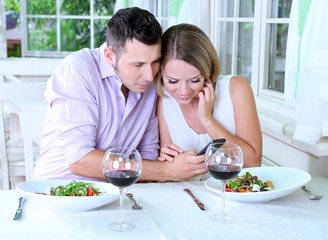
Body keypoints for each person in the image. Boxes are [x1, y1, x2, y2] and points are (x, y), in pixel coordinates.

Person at [33, 7, 167, 182]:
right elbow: (80, 160)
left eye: (155, 61)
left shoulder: (146, 82)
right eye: (137, 64)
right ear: (110, 56)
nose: (150, 75)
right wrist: (166, 172)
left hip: (119, 192)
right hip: (59, 192)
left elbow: (147, 155)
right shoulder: (77, 70)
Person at [155, 24, 262, 180]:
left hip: (236, 196)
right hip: (188, 197)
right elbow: (171, 171)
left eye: (194, 80)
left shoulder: (235, 89)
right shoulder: (164, 100)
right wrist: (168, 161)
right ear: (160, 75)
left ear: (207, 71)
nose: (183, 91)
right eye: (172, 81)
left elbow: (253, 163)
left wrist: (207, 119)